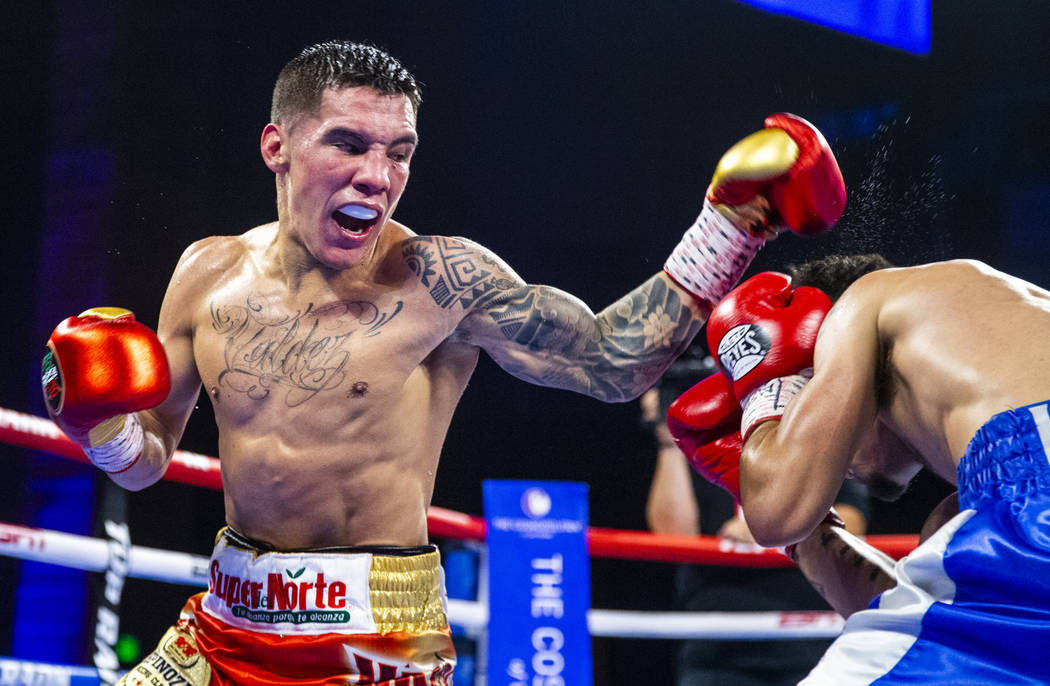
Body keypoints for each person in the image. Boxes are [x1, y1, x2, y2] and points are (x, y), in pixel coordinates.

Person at [39, 39, 847, 684]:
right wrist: (101, 424)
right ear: (276, 147)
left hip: (374, 639)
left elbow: (609, 361)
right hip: (227, 621)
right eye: (349, 145)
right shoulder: (204, 274)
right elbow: (148, 465)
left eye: (400, 152)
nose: (378, 177)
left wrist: (730, 225)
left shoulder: (442, 281)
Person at [675, 253, 1050, 683]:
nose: (840, 468)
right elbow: (925, 622)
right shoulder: (995, 326)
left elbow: (775, 512)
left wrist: (767, 395)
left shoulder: (863, 300)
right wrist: (814, 536)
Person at [644, 354, 868, 686]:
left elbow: (853, 520)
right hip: (717, 647)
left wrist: (776, 522)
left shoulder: (810, 436)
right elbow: (672, 534)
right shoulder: (701, 439)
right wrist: (668, 436)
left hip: (805, 639)